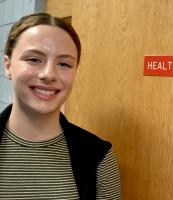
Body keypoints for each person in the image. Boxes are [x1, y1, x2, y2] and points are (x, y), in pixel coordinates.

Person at [0, 13, 120, 199]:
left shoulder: (98, 157)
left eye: (64, 64)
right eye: (34, 59)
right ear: (8, 66)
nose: (49, 74)